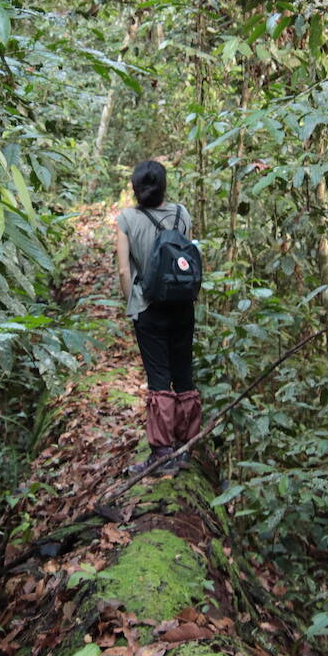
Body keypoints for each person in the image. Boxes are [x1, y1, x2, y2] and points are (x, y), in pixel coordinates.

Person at [116, 160, 201, 475]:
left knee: (159, 377)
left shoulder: (126, 219)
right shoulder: (182, 214)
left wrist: (132, 303)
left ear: (135, 189)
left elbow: (125, 269)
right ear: (164, 187)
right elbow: (188, 256)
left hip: (149, 307)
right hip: (182, 303)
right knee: (183, 374)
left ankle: (162, 453)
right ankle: (185, 448)